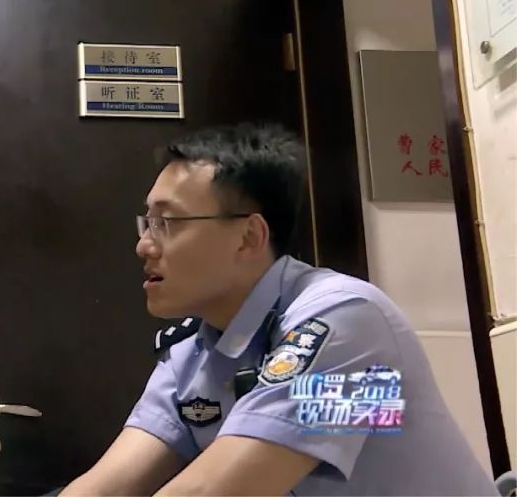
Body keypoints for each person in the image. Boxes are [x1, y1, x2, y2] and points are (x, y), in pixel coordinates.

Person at [61, 123, 496, 496]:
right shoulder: (192, 351)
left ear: (249, 236)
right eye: (147, 223)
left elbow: (212, 492)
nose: (144, 245)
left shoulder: (350, 325)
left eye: (166, 223)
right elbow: (106, 487)